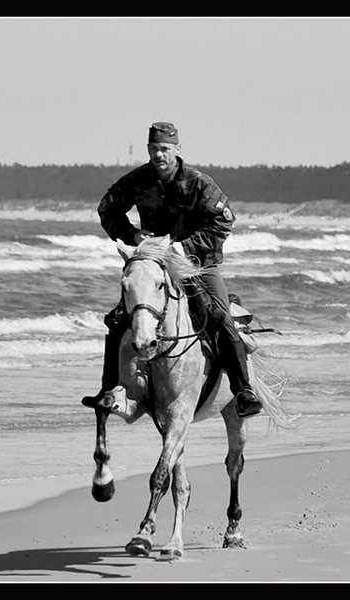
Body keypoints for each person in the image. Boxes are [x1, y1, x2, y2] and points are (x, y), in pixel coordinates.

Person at [82, 122, 262, 418]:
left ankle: (243, 390)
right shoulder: (138, 180)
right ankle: (109, 389)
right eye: (153, 149)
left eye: (164, 149)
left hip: (198, 265)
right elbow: (107, 209)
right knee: (118, 319)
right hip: (153, 262)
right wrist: (134, 236)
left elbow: (223, 222)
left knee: (219, 315)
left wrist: (185, 247)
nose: (158, 154)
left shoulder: (198, 182)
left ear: (177, 150)